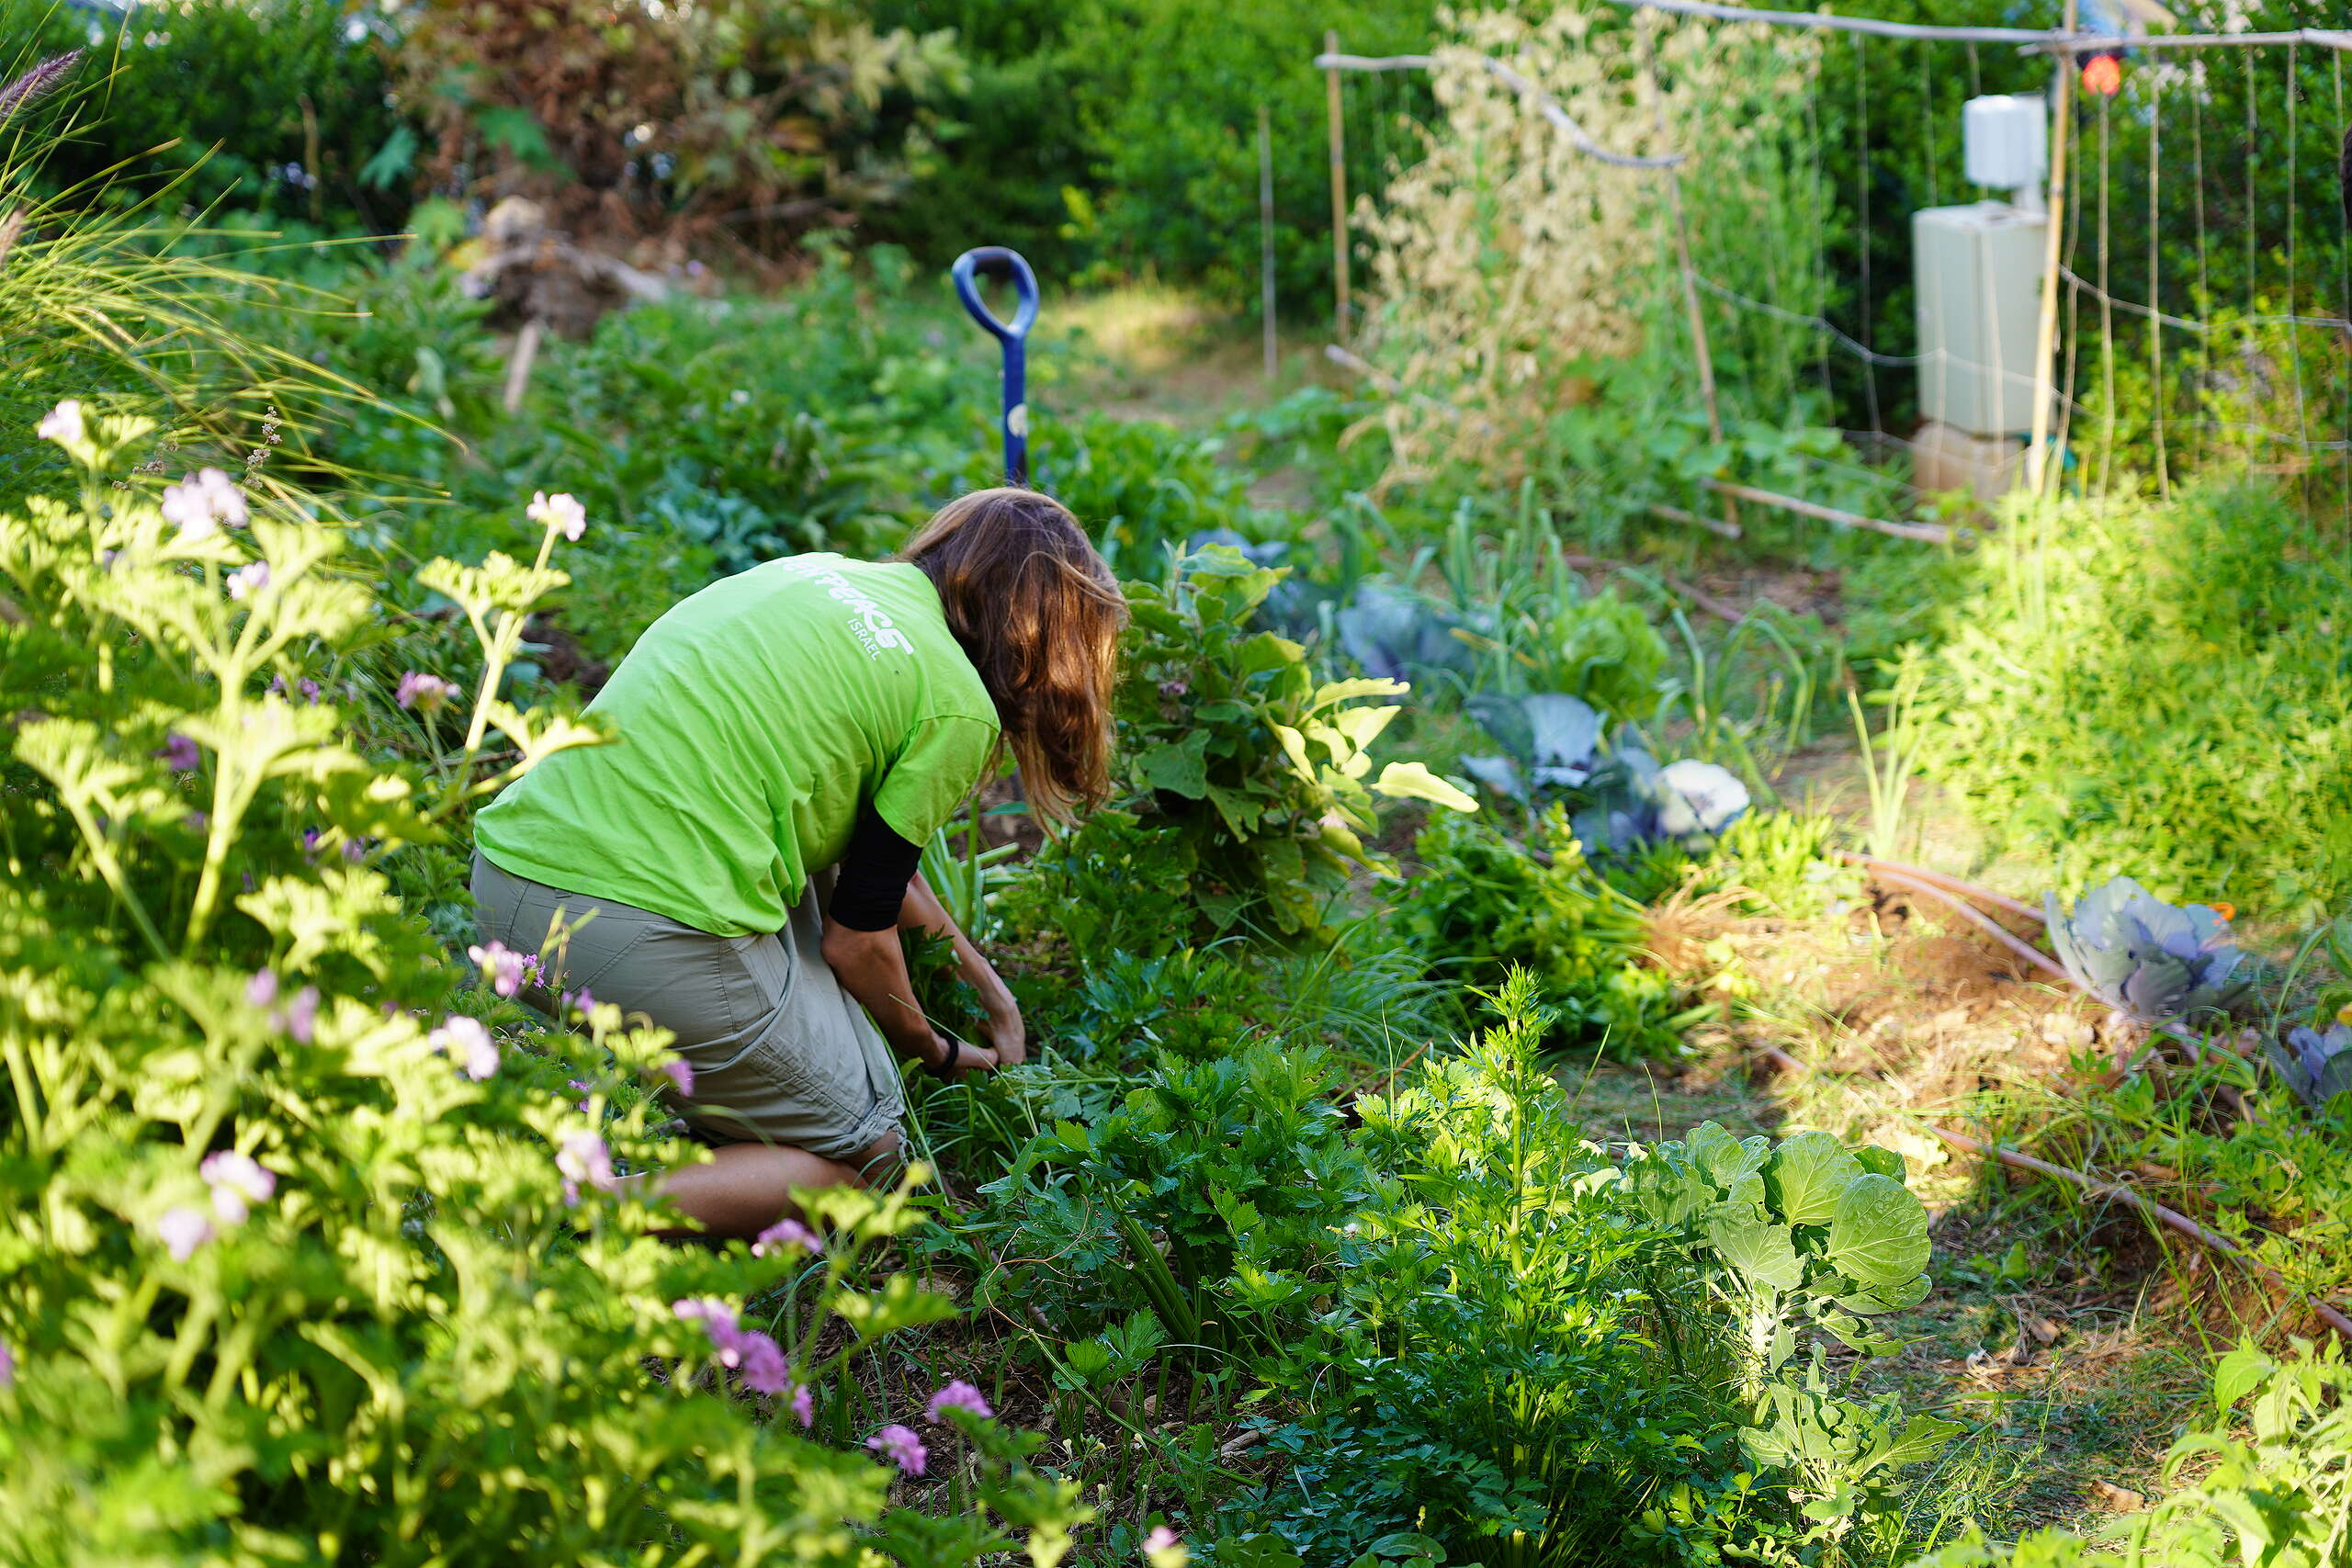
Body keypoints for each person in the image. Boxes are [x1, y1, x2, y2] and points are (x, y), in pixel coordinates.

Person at [469, 487, 1125, 1236]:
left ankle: (726, 1132)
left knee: (813, 887)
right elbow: (858, 940)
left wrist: (988, 987)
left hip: (504, 882)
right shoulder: (958, 706)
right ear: (1050, 639)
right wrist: (940, 1051)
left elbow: (879, 872)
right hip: (631, 934)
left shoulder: (812, 575)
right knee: (874, 1162)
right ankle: (557, 1208)